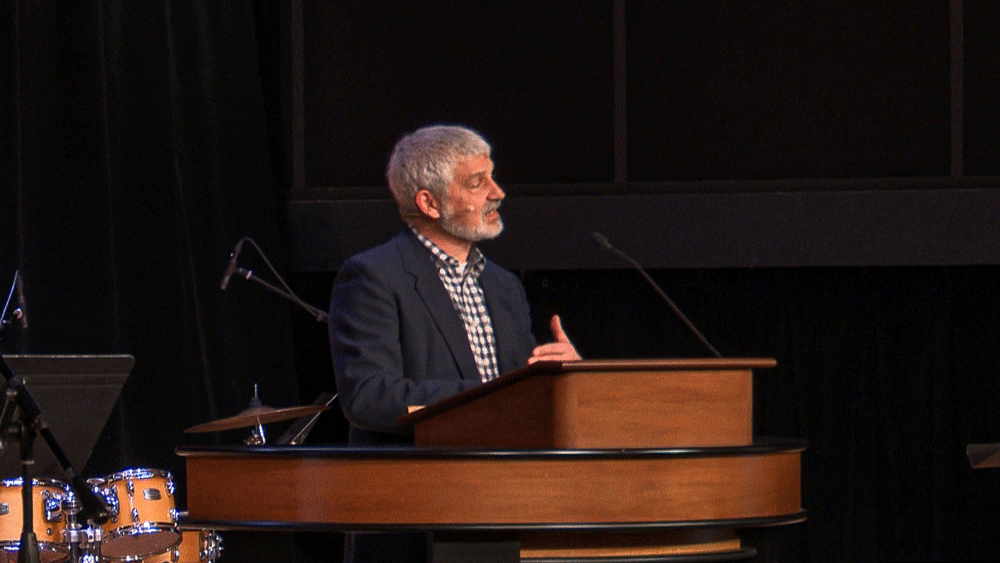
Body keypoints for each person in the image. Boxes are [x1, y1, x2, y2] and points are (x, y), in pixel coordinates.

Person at [329, 124, 581, 562]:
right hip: (419, 520)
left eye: (492, 177)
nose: (498, 192)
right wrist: (485, 398)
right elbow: (368, 396)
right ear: (428, 203)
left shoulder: (503, 285)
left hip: (506, 511)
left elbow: (521, 397)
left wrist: (565, 377)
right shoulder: (372, 277)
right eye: (477, 182)